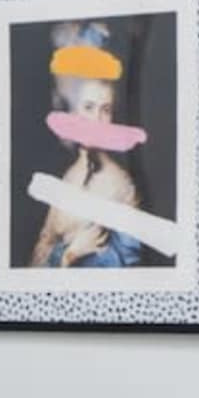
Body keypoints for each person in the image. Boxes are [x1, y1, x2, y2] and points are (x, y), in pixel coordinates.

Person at [29, 23, 150, 269]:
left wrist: (77, 254)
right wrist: (69, 253)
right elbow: (37, 259)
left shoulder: (123, 185)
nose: (97, 120)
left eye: (105, 110)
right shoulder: (66, 178)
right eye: (88, 108)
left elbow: (128, 268)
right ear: (72, 111)